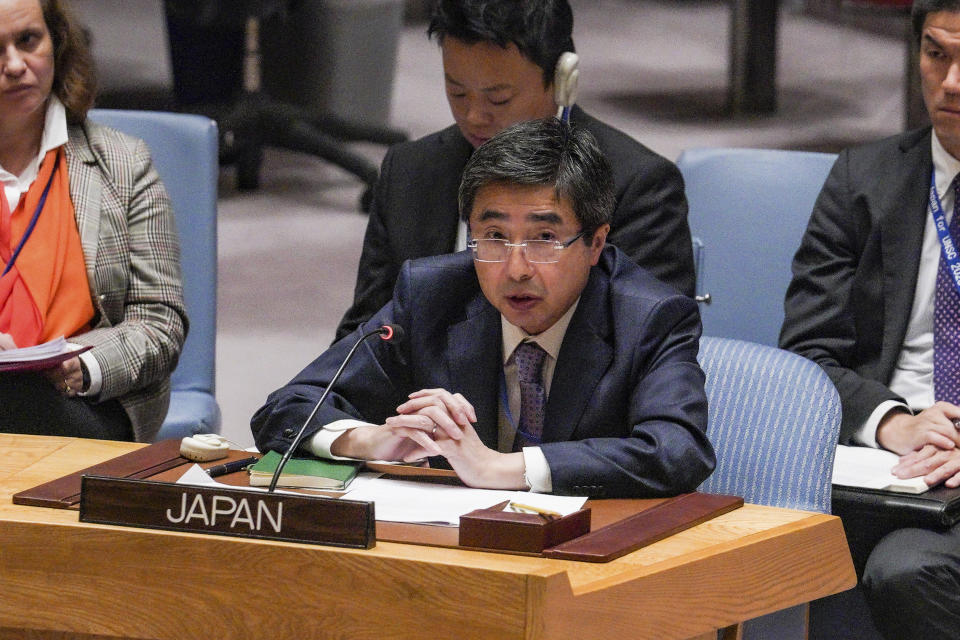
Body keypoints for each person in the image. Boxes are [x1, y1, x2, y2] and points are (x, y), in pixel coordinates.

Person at [253, 118, 714, 497]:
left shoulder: (648, 316)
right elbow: (285, 408)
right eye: (493, 237)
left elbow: (677, 450)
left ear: (595, 243)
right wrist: (373, 440)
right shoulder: (432, 294)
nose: (516, 268)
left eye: (545, 238)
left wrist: (500, 468)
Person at [333, 0, 695, 342]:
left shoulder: (637, 187)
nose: (474, 116)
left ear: (562, 79)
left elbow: (649, 348)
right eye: (457, 92)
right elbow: (364, 335)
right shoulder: (409, 172)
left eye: (498, 99)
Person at [779, 1, 960, 636]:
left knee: (908, 568)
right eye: (936, 53)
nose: (952, 81)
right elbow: (805, 353)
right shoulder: (864, 178)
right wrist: (894, 422)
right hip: (894, 471)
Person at [0, 0, 187, 441]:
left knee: (20, 398)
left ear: (58, 43)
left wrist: (81, 364)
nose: (13, 65)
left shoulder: (123, 164)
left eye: (28, 41)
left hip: (82, 403)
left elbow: (160, 323)